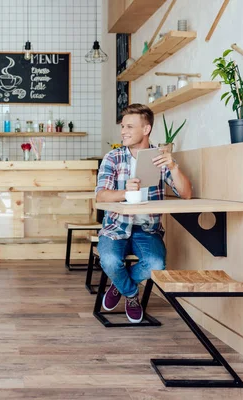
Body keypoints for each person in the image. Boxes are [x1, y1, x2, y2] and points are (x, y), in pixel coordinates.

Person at [95, 104, 192, 323]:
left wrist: (174, 167)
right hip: (115, 227)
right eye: (122, 126)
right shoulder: (113, 157)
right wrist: (124, 191)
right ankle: (130, 293)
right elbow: (101, 196)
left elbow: (186, 194)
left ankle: (119, 285)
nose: (123, 131)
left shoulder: (159, 157)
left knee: (156, 265)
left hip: (148, 230)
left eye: (130, 126)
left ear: (146, 129)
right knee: (110, 261)